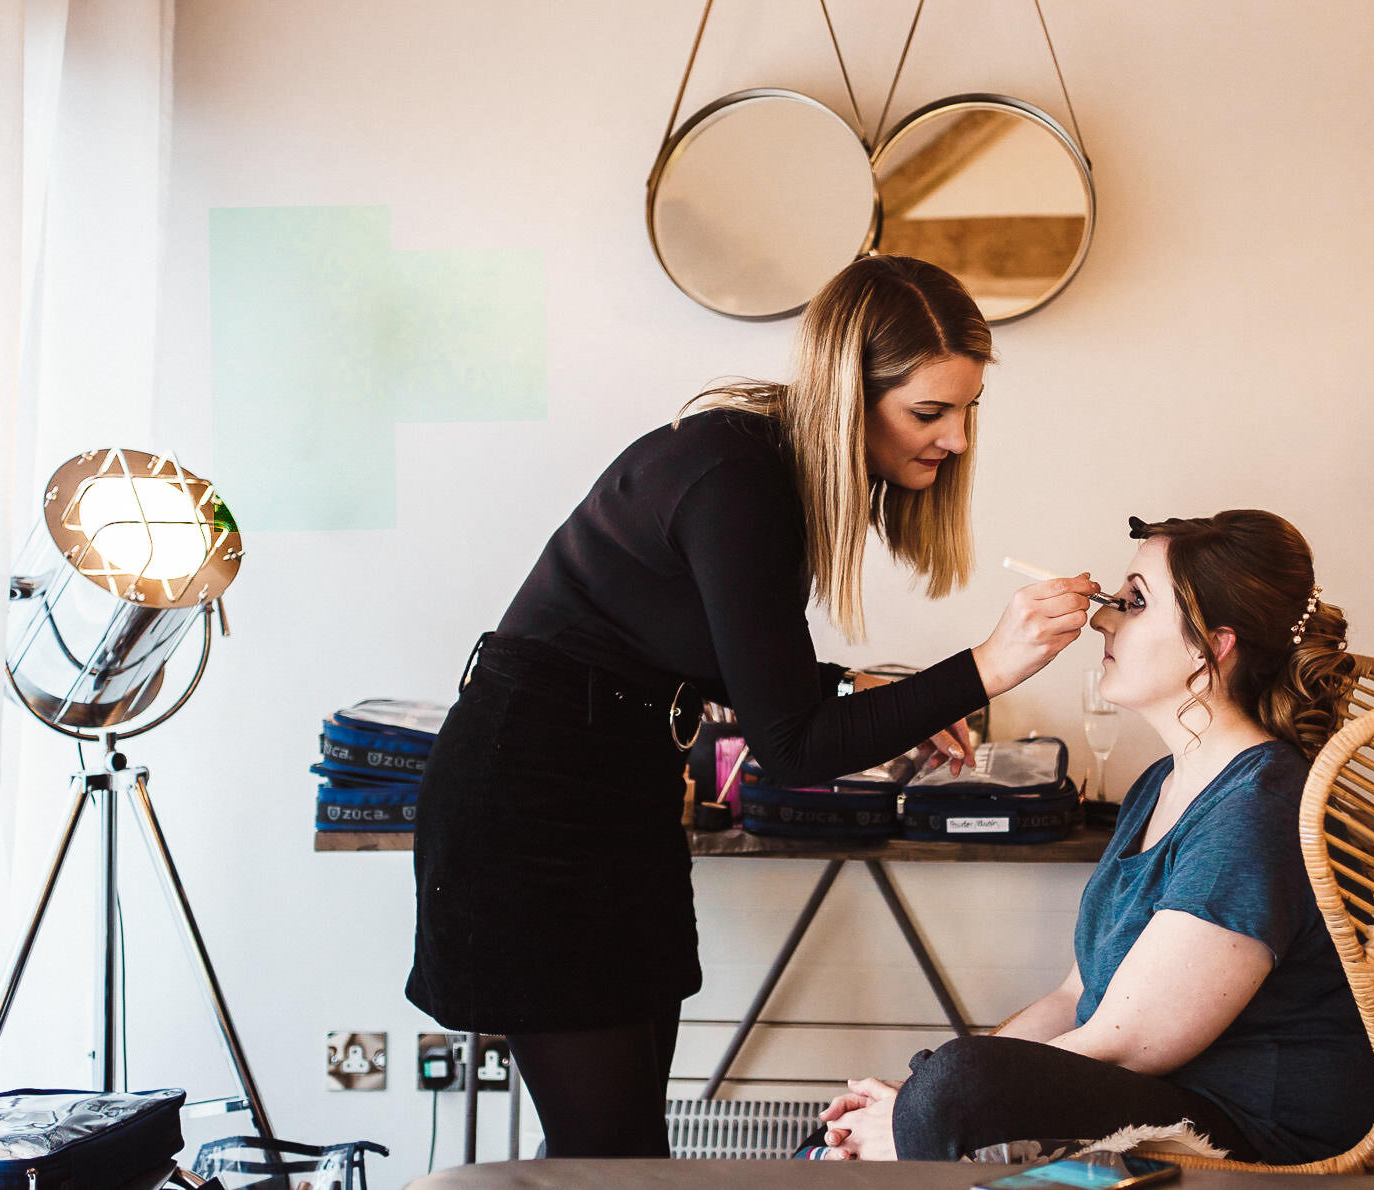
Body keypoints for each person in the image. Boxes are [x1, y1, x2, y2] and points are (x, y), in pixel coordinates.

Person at [405, 255, 1099, 1158]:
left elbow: (727, 664)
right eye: (930, 412)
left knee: (615, 1154)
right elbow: (795, 747)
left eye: (969, 410)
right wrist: (986, 665)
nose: (958, 439)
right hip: (533, 811)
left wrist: (857, 686)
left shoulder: (763, 468)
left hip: (614, 798)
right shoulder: (735, 477)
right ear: (851, 396)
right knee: (611, 1160)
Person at [817, 510, 1374, 1165]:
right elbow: (1076, 998)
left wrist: (936, 1102)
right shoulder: (1160, 784)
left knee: (953, 1087)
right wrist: (923, 1097)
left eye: (1134, 602)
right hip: (1160, 1092)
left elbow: (1129, 1039)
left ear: (1211, 646)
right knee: (945, 1085)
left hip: (1253, 1128)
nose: (1103, 619)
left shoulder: (1260, 807)